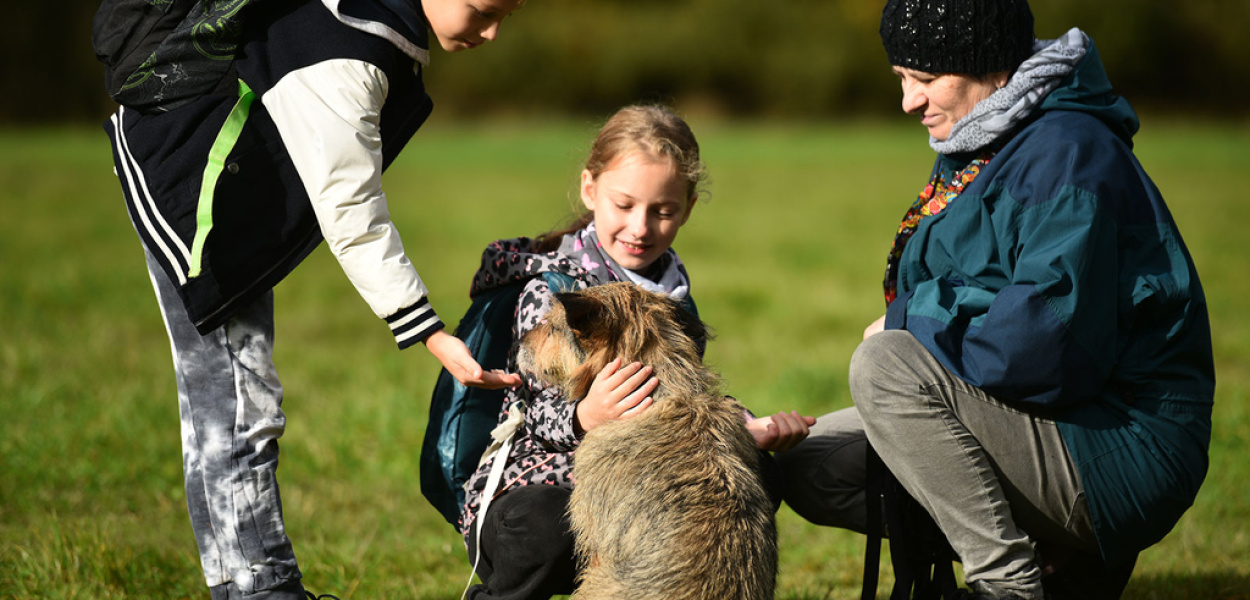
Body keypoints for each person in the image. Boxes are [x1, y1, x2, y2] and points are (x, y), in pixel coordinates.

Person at [775, 1, 1215, 599]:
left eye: (927, 80)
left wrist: (909, 321)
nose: (909, 101)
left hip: (1117, 442)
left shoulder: (1068, 152)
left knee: (886, 367)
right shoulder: (990, 132)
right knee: (809, 465)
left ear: (993, 68)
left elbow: (1048, 345)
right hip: (1052, 415)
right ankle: (1060, 563)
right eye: (903, 78)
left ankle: (1005, 583)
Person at [101, 0, 530, 598]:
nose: (491, 31)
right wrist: (430, 331)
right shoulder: (348, 48)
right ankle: (260, 589)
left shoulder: (375, 23)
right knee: (238, 406)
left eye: (507, 16)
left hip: (220, 194)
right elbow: (352, 213)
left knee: (226, 406)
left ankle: (245, 584)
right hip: (198, 201)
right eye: (483, 10)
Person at [454, 105, 816, 600]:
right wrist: (586, 414)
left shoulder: (669, 299)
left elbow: (681, 394)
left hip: (636, 479)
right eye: (624, 205)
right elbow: (532, 407)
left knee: (755, 477)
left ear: (687, 207)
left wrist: (744, 428)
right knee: (542, 529)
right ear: (590, 190)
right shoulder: (556, 295)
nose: (640, 227)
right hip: (540, 478)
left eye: (661, 211)